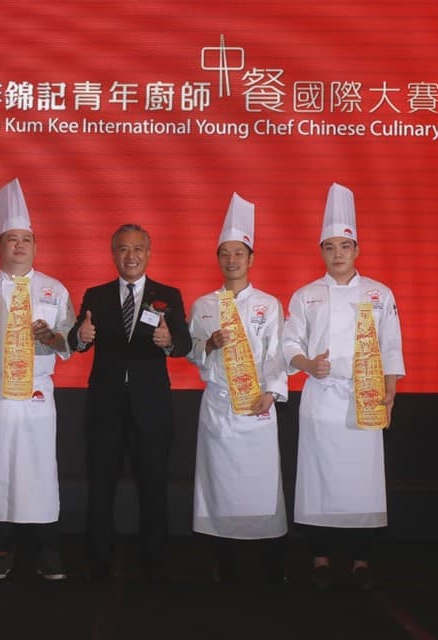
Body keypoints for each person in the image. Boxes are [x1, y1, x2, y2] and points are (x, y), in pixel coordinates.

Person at [0, 178, 75, 582]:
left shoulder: (54, 290)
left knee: (37, 473)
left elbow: (68, 342)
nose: (19, 246)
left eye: (26, 239)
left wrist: (52, 337)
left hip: (36, 395)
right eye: (11, 239)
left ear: (35, 247)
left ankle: (48, 551)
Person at [282, 182, 405, 591]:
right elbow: (289, 343)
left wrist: (389, 394)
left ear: (357, 250)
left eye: (345, 246)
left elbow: (390, 345)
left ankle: (361, 559)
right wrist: (306, 364)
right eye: (330, 247)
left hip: (364, 397)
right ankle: (319, 557)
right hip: (320, 400)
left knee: (362, 482)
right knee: (318, 480)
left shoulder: (379, 294)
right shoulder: (306, 295)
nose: (337, 254)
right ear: (321, 251)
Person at [68, 223, 192, 582]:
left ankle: (154, 561)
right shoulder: (97, 295)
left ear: (149, 254)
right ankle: (98, 560)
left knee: (153, 487)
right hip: (105, 407)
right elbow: (79, 339)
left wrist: (168, 341)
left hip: (151, 407)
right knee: (101, 486)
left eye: (138, 248)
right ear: (113, 254)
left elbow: (183, 344)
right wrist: (80, 336)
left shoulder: (168, 294)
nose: (131, 255)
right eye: (123, 249)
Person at [186, 194, 289, 585]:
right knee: (220, 486)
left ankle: (270, 564)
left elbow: (277, 353)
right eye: (224, 254)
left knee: (262, 485)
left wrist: (273, 392)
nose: (231, 260)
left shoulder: (269, 304)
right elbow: (193, 353)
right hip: (219, 407)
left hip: (257, 408)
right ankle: (224, 562)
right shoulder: (204, 305)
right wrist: (209, 345)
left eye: (239, 253)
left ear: (251, 258)